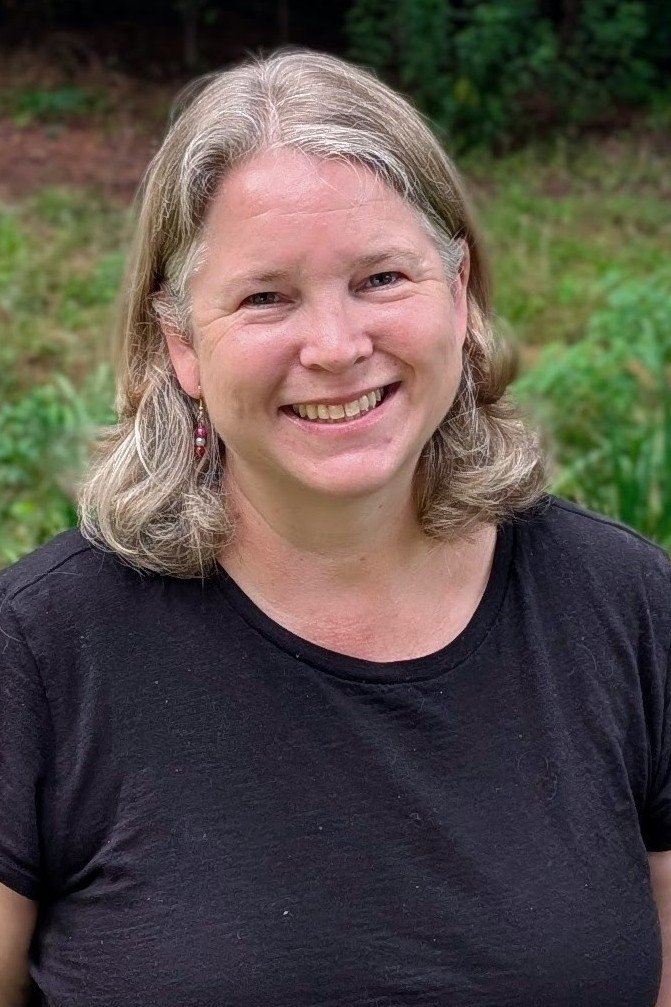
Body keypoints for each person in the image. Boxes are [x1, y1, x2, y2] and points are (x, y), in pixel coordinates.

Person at [1, 47, 670, 1007]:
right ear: (180, 342)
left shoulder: (629, 609)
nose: (336, 346)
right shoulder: (38, 654)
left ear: (459, 292)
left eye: (382, 277)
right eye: (265, 296)